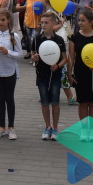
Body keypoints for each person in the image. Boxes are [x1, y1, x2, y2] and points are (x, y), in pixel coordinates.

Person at [68, 9, 93, 141]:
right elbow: (71, 58)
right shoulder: (74, 37)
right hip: (80, 73)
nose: (80, 23)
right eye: (79, 20)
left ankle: (92, 130)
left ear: (91, 22)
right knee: (82, 103)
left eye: (83, 20)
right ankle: (84, 130)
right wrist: (69, 73)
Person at [0, 9, 22, 140]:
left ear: (8, 21)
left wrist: (8, 52)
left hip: (9, 71)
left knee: (9, 98)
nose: (0, 22)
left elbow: (20, 55)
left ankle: (11, 128)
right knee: (0, 99)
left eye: (3, 20)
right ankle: (1, 127)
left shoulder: (14, 36)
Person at [32, 12, 67, 140]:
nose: (43, 25)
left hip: (55, 75)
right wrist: (34, 57)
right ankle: (47, 127)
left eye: (46, 22)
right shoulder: (37, 38)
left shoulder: (59, 40)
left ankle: (55, 128)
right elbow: (33, 54)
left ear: (53, 24)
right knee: (45, 102)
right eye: (42, 23)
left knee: (55, 102)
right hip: (41, 75)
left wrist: (57, 66)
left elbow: (65, 59)